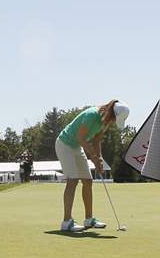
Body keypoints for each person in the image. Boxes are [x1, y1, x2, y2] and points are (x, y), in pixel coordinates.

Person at [55, 99, 129, 232]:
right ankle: (66, 222)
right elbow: (81, 138)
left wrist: (99, 158)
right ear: (112, 113)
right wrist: (93, 157)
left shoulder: (105, 121)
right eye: (114, 119)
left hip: (77, 147)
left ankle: (89, 219)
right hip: (64, 144)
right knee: (73, 180)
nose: (113, 122)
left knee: (88, 181)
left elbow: (96, 140)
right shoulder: (91, 115)